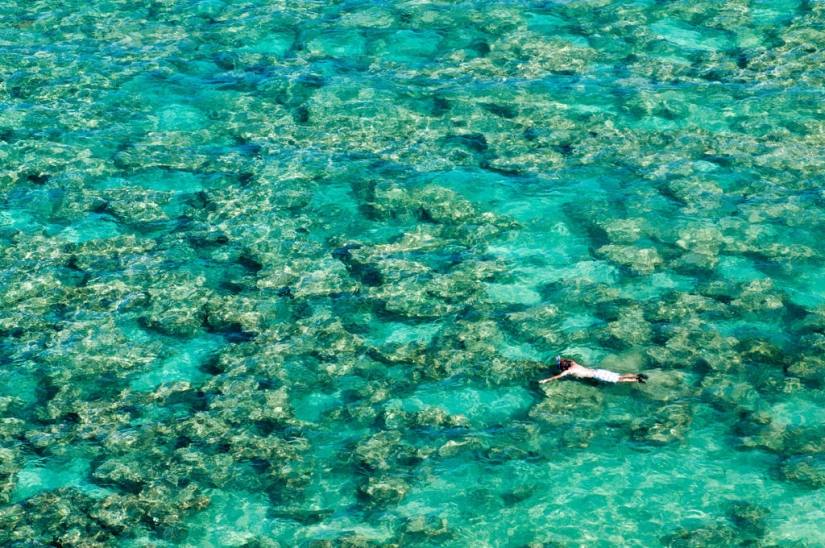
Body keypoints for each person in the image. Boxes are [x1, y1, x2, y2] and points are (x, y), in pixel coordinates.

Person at [539, 356, 647, 384]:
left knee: (619, 379)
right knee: (620, 375)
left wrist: (545, 380)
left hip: (598, 376)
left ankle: (637, 380)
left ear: (564, 368)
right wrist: (559, 359)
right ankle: (637, 374)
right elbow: (566, 360)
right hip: (598, 371)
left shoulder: (568, 371)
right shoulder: (573, 364)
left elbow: (557, 376)